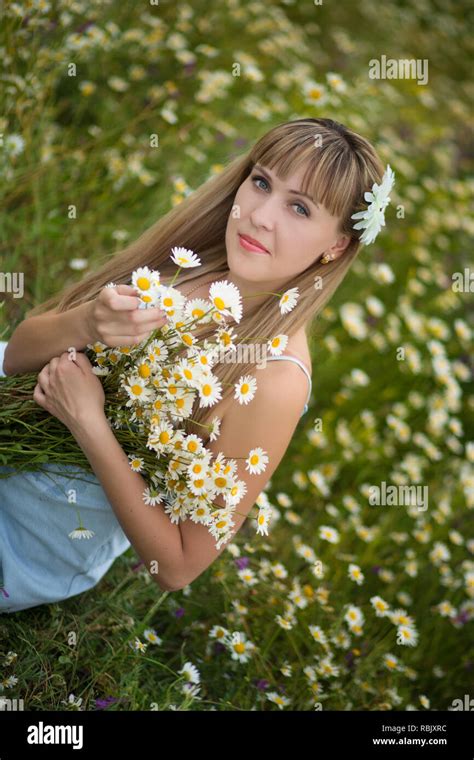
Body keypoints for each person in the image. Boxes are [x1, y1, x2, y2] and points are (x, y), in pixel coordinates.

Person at [0, 117, 393, 613]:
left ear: (336, 245)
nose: (260, 216)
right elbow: (15, 357)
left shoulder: (274, 378)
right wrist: (86, 323)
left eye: (299, 207)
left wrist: (89, 425)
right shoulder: (193, 262)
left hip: (30, 530)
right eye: (261, 182)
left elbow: (179, 565)